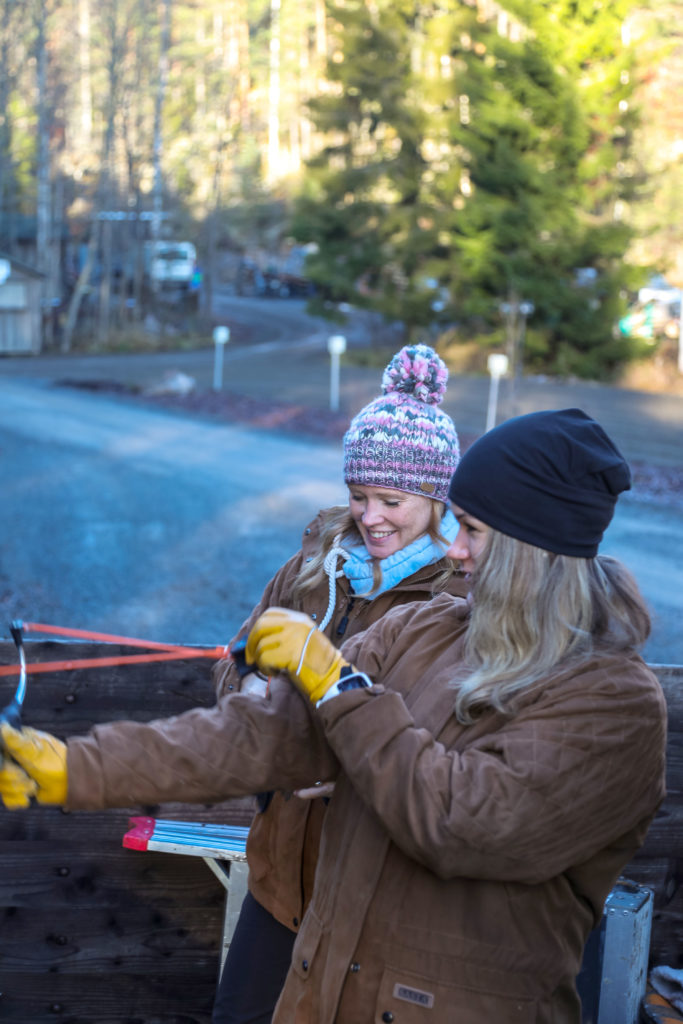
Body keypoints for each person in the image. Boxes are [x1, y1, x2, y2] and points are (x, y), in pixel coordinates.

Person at [0, 408, 667, 1023]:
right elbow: (264, 732)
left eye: (471, 530)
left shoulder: (614, 703)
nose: (455, 550)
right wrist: (78, 769)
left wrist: (335, 680)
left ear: (533, 551)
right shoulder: (425, 629)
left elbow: (462, 821)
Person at [208, 342, 467, 1023]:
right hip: (278, 882)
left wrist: (349, 766)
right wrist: (257, 714)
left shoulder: (464, 595)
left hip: (377, 900)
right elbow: (235, 663)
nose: (371, 517)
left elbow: (457, 749)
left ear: (438, 499)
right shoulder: (312, 565)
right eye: (358, 496)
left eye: (391, 500)